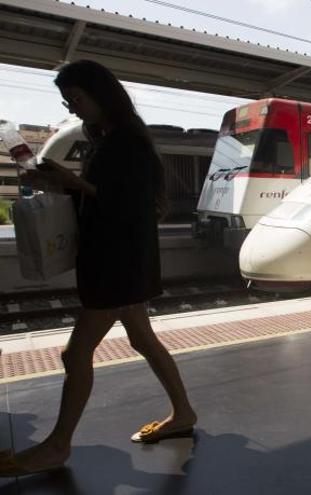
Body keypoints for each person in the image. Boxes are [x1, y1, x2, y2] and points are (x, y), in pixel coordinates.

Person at [1, 60, 197, 476]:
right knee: (142, 339)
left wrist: (75, 185)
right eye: (66, 101)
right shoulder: (107, 139)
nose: (72, 109)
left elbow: (130, 205)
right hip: (116, 257)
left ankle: (57, 445)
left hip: (117, 262)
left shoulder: (127, 142)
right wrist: (62, 184)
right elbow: (103, 196)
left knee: (75, 354)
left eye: (76, 99)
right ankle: (183, 414)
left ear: (101, 94)